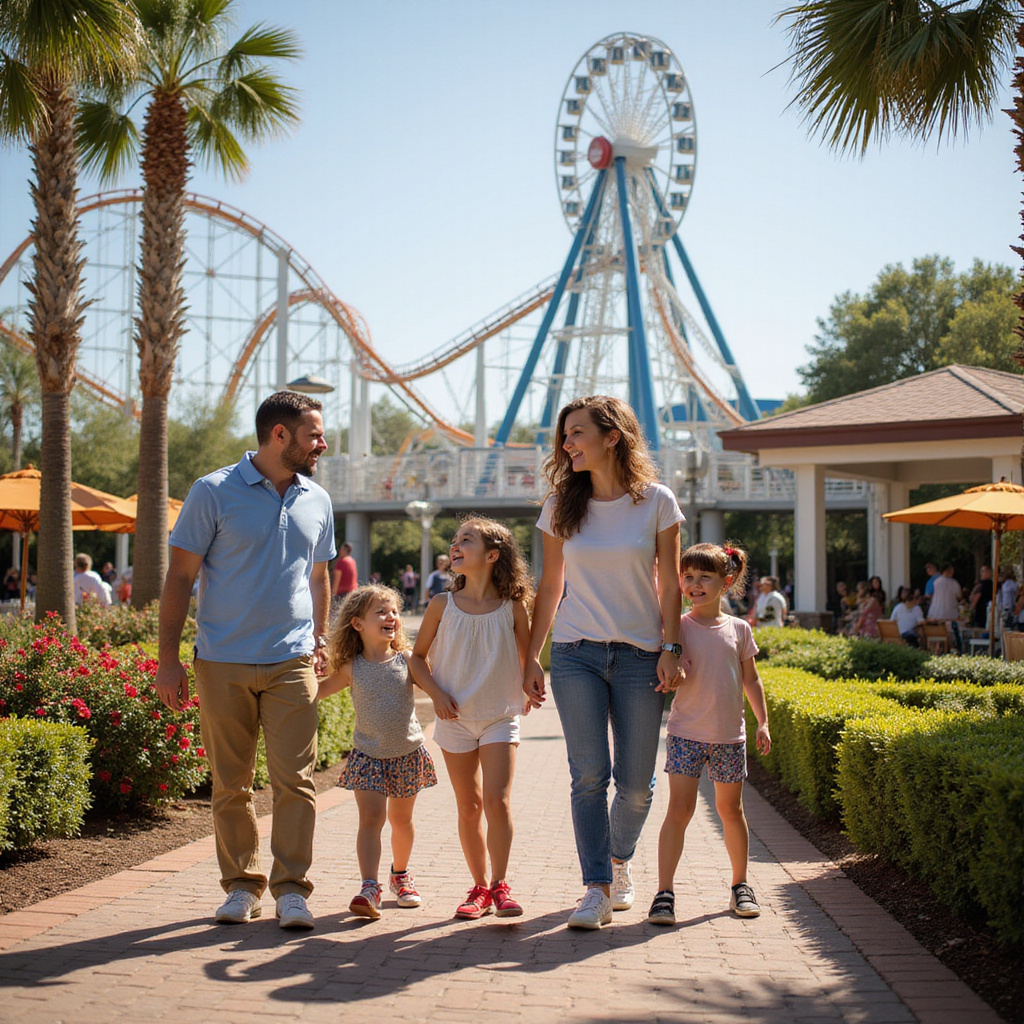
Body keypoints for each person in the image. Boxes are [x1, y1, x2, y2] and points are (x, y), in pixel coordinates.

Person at [154, 391, 334, 930]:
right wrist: (168, 660)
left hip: (292, 660)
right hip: (222, 660)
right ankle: (240, 885)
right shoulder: (212, 492)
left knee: (296, 780)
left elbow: (319, 577)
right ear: (280, 435)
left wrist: (320, 636)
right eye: (314, 435)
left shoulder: (317, 499)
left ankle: (291, 890)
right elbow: (180, 578)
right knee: (230, 783)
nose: (322, 443)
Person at [523, 395, 683, 931]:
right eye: (564, 436)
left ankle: (618, 861)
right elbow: (549, 587)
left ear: (612, 436)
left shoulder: (657, 502)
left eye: (576, 433)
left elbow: (670, 588)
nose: (567, 444)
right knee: (589, 776)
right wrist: (532, 657)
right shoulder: (559, 507)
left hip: (641, 656)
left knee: (637, 785)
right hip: (576, 654)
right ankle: (595, 886)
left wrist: (672, 647)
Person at [409, 517, 532, 920]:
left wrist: (532, 679)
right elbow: (417, 658)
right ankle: (478, 887)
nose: (455, 545)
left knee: (497, 802)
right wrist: (436, 693)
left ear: (493, 555)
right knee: (469, 806)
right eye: (455, 540)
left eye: (467, 540)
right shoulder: (441, 604)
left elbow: (527, 657)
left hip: (500, 715)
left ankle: (500, 886)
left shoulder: (513, 606)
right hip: (454, 718)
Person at [647, 542, 771, 926]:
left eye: (705, 577)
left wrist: (762, 721)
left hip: (728, 737)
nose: (694, 584)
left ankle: (740, 885)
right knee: (679, 811)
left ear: (726, 581)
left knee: (730, 811)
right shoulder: (677, 625)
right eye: (688, 577)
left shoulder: (739, 629)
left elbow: (751, 679)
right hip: (685, 734)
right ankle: (664, 893)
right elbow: (667, 669)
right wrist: (672, 677)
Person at [318, 585, 436, 919]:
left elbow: (435, 685)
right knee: (371, 819)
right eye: (381, 612)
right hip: (367, 755)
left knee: (402, 821)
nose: (392, 617)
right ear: (357, 624)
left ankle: (400, 876)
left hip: (407, 753)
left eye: (395, 611)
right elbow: (314, 694)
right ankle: (369, 886)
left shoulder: (408, 660)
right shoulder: (350, 668)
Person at [332, 541, 358, 605]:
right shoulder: (352, 561)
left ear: (343, 550)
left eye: (341, 549)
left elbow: (337, 580)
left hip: (342, 596)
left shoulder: (341, 562)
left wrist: (332, 595)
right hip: (353, 593)